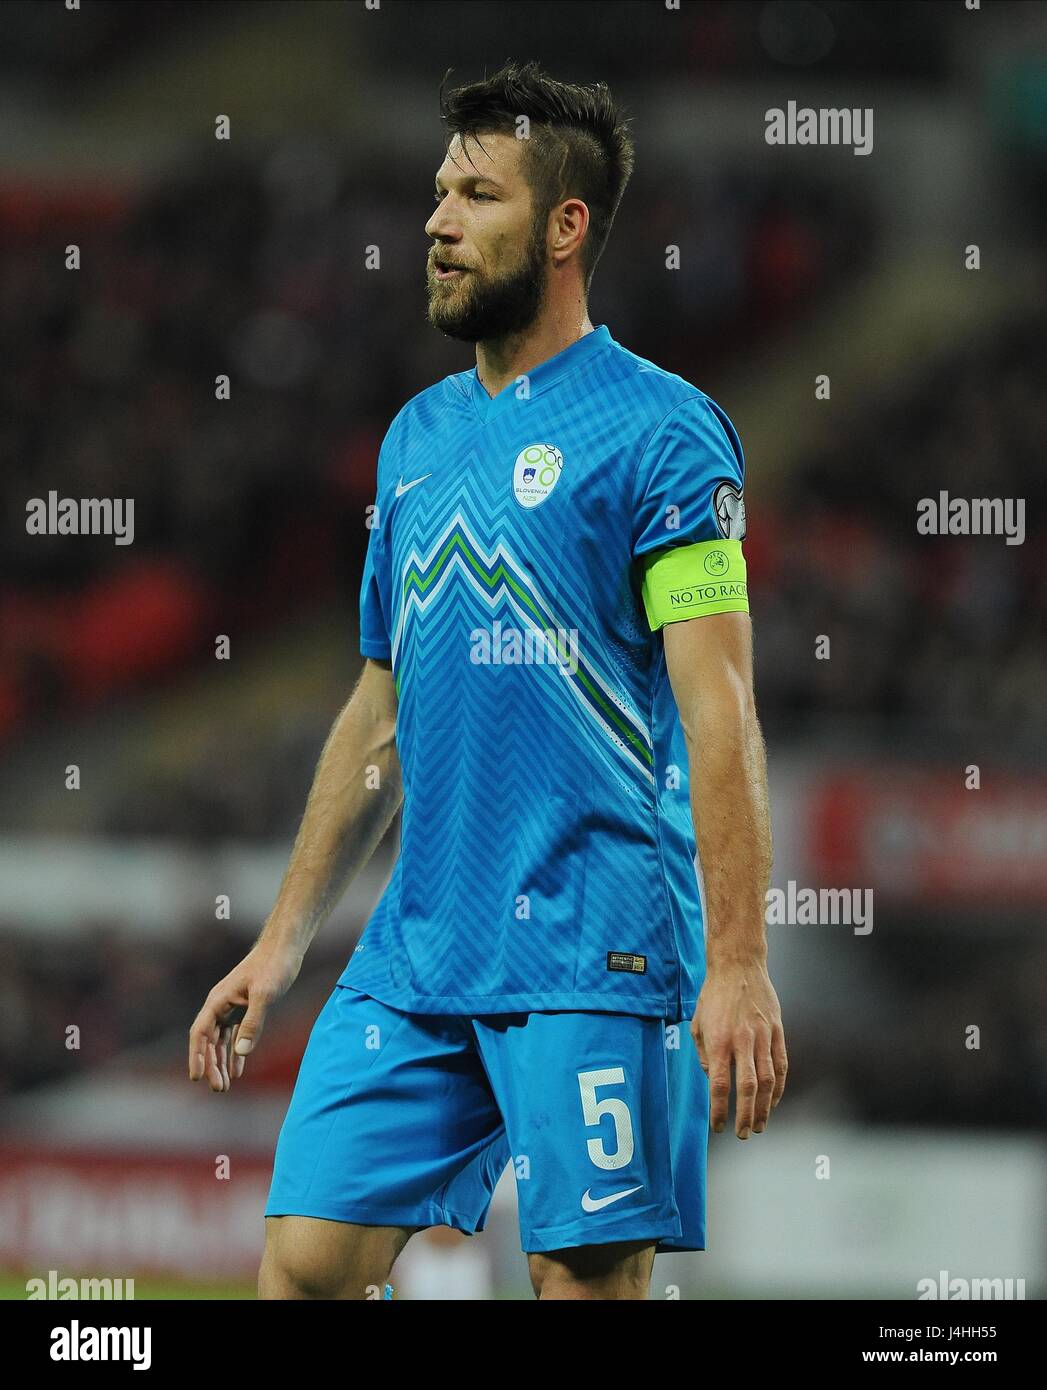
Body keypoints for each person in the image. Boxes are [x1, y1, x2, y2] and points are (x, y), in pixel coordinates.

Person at [189, 60, 786, 1301]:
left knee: (578, 1285)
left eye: (475, 195)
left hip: (593, 947)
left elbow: (717, 705)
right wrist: (284, 942)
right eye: (437, 193)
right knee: (300, 1267)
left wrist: (736, 962)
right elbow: (377, 714)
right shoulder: (416, 438)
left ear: (566, 226)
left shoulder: (663, 434)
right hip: (419, 948)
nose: (437, 223)